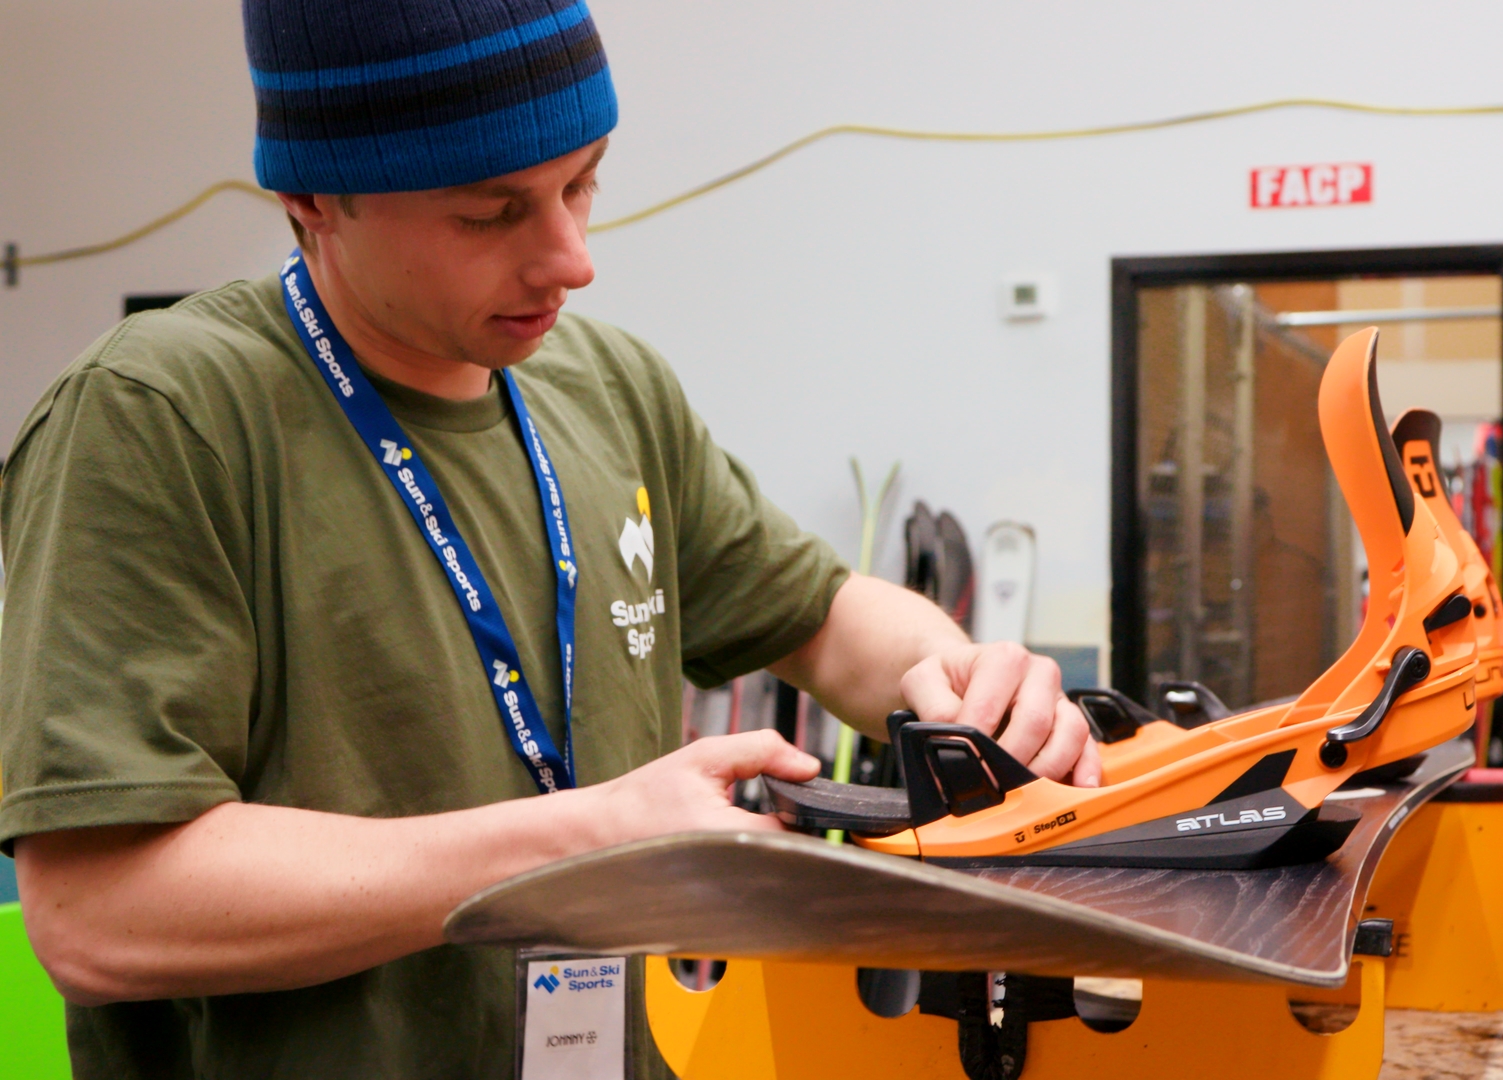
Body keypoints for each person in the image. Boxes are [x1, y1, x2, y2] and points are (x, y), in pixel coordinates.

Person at [0, 2, 1098, 1076]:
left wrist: (951, 676)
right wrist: (583, 839)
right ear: (312, 198)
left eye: (583, 184)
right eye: (491, 215)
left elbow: (816, 618)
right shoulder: (160, 418)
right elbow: (100, 914)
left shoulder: (605, 386)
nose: (570, 259)